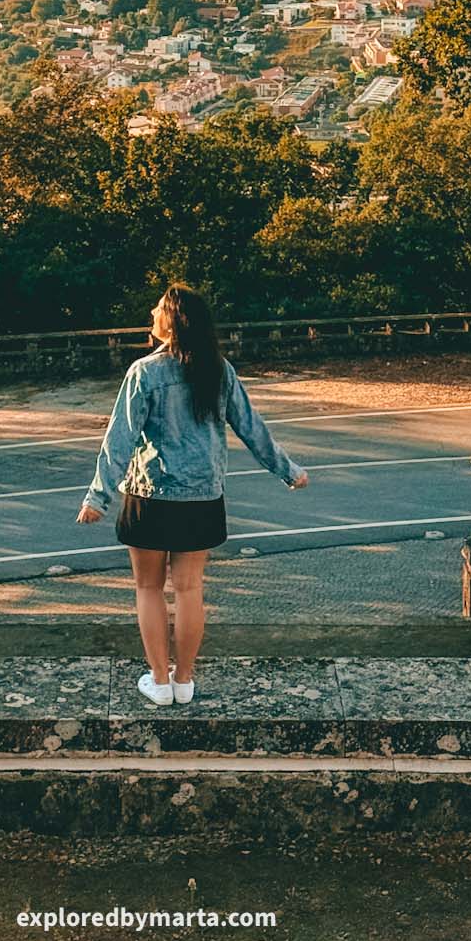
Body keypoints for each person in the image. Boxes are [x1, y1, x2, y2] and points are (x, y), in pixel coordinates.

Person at [77, 283, 308, 707]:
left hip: (150, 494)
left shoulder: (145, 372)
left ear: (173, 320)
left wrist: (98, 496)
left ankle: (159, 683)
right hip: (202, 496)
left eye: (158, 308)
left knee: (148, 588)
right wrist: (287, 470)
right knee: (189, 589)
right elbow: (251, 426)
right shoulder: (219, 368)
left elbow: (119, 440)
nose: (151, 312)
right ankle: (184, 681)